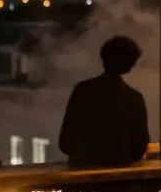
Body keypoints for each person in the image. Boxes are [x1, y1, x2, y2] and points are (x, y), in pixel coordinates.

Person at [58, 35, 151, 168]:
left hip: (80, 173)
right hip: (119, 176)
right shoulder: (134, 98)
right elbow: (138, 149)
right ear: (130, 63)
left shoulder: (82, 90)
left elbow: (65, 142)